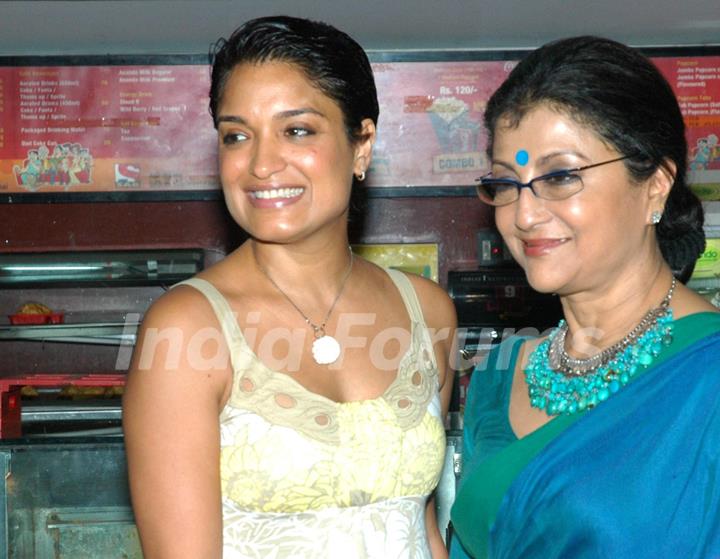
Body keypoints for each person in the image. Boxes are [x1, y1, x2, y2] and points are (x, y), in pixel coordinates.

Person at [122, 15, 456, 559]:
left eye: (296, 130)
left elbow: (422, 532)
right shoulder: (187, 327)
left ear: (362, 144)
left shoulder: (428, 312)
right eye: (237, 135)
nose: (260, 163)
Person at [449, 36, 720, 558]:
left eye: (559, 177)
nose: (523, 215)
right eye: (507, 183)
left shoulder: (706, 377)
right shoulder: (497, 376)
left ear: (656, 185)